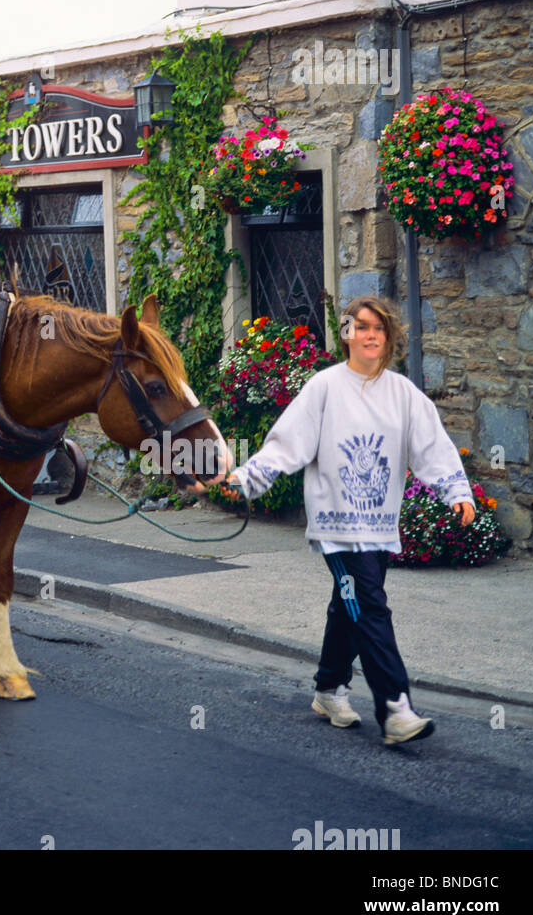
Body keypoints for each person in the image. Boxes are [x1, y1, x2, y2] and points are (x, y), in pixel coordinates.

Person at [201, 295, 474, 746]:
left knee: (349, 608)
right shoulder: (324, 387)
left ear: (388, 337)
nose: (370, 335)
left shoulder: (403, 394)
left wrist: (456, 492)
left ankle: (329, 687)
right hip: (337, 527)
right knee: (369, 606)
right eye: (360, 327)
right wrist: (247, 479)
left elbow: (433, 447)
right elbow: (287, 443)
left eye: (378, 328)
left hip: (379, 525)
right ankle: (395, 707)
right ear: (346, 333)